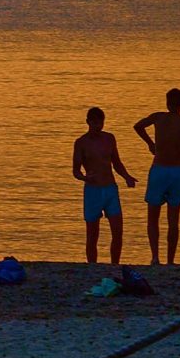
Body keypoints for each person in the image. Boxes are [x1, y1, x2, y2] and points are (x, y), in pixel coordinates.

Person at [132, 88, 180, 265]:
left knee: (153, 217)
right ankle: (170, 260)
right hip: (176, 171)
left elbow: (138, 126)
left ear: (167, 103)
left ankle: (155, 256)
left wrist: (151, 144)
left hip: (159, 169)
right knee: (173, 219)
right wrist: (178, 155)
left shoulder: (158, 118)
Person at [72, 106, 138, 264]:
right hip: (92, 190)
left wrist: (127, 177)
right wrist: (84, 177)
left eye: (100, 123)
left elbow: (116, 163)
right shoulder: (81, 143)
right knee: (92, 234)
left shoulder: (109, 138)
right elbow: (75, 170)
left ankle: (115, 264)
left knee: (117, 231)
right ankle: (92, 266)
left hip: (110, 189)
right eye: (94, 123)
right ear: (88, 122)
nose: (97, 126)